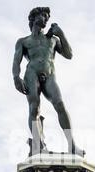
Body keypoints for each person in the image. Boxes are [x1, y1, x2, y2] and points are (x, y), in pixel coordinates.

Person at [12, 7, 84, 156]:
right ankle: (39, 145)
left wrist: (61, 34)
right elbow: (16, 61)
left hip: (49, 74)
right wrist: (16, 77)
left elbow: (69, 54)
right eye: (43, 16)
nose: (46, 19)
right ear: (34, 18)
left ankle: (72, 145)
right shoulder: (24, 41)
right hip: (31, 74)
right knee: (34, 109)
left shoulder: (52, 39)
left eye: (47, 16)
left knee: (59, 104)